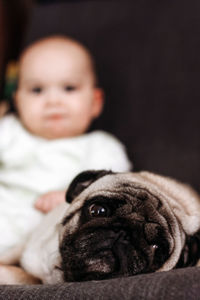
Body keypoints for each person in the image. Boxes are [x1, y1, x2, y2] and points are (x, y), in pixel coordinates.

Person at [0, 35, 132, 255]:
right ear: (18, 101)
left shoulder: (100, 146)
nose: (53, 101)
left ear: (95, 102)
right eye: (37, 90)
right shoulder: (10, 131)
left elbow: (114, 187)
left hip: (50, 235)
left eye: (69, 88)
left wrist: (71, 195)